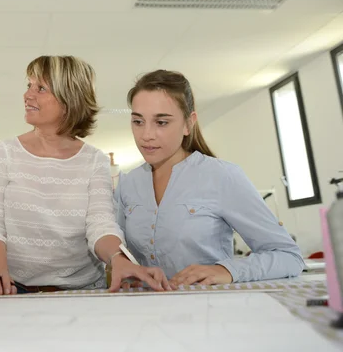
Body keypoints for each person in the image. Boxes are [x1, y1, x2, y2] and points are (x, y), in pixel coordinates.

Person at [0, 56, 171, 296]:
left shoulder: (94, 161)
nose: (28, 95)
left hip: (82, 291)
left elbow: (100, 224)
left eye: (41, 88)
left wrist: (118, 257)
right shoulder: (4, 153)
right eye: (29, 85)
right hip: (15, 290)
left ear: (69, 100)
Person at [115, 69, 304, 287]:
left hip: (209, 311)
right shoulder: (128, 184)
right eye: (138, 121)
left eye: (162, 122)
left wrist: (227, 270)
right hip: (144, 313)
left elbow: (288, 256)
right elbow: (120, 254)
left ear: (188, 123)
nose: (146, 135)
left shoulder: (222, 176)